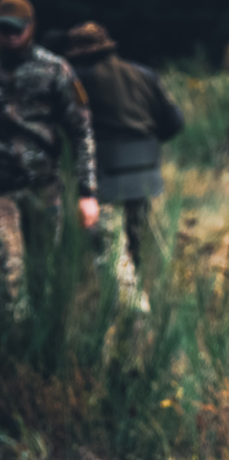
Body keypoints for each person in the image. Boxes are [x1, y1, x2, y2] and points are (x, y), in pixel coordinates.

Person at [0, 0, 97, 307]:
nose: (11, 36)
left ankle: (43, 344)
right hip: (3, 188)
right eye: (3, 29)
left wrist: (87, 192)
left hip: (44, 186)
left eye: (18, 29)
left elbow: (81, 132)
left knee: (44, 270)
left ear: (31, 26)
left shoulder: (53, 68)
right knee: (10, 270)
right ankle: (14, 346)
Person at [64, 21, 182, 270]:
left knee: (108, 247)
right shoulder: (144, 74)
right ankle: (134, 291)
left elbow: (70, 128)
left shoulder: (81, 79)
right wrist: (145, 140)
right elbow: (174, 122)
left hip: (105, 171)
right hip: (146, 170)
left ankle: (125, 301)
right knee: (135, 239)